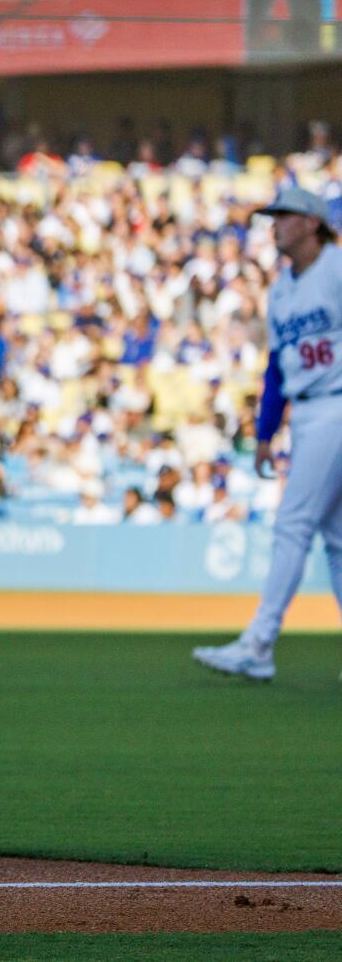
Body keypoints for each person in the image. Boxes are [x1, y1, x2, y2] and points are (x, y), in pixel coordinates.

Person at [194, 187, 342, 683]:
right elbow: (278, 367)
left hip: (336, 404)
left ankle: (258, 643)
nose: (274, 224)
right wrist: (264, 433)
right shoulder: (280, 289)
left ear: (311, 224)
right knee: (336, 539)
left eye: (284, 216)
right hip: (307, 411)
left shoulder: (336, 269)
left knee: (293, 523)